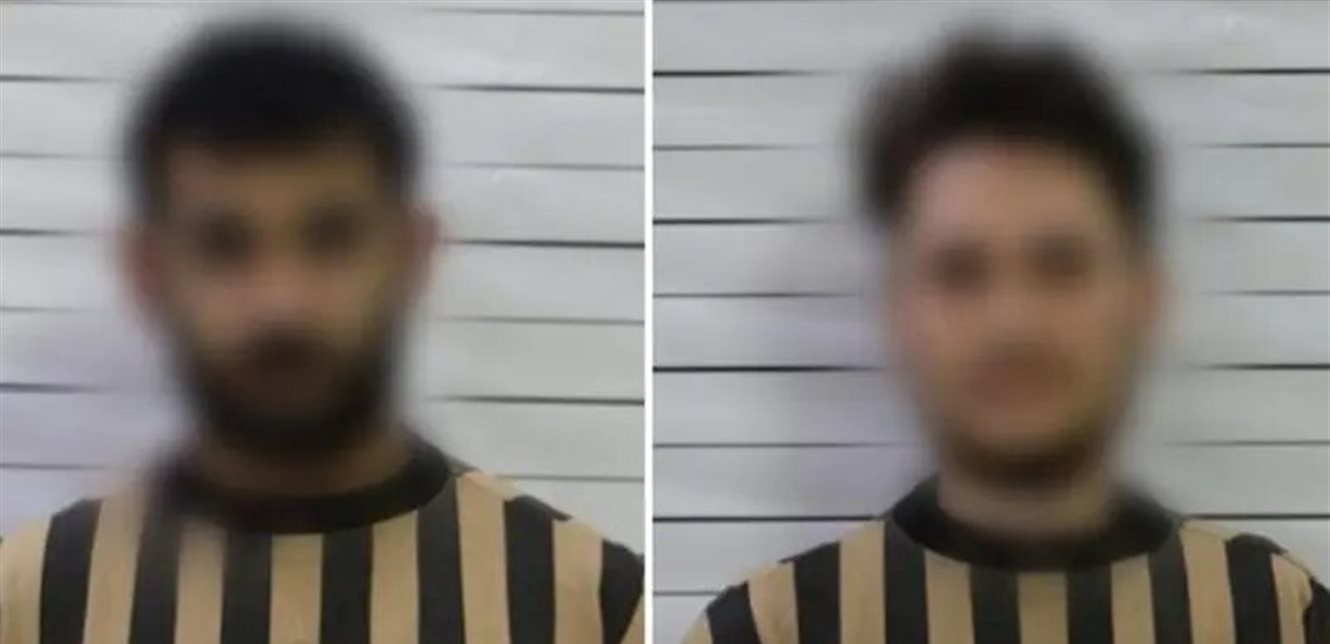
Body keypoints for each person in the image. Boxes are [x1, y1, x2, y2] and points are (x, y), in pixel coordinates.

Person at [0, 21, 642, 644]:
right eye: (224, 245)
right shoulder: (25, 604)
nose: (282, 303)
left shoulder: (592, 606)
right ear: (148, 269)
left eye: (331, 237)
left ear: (410, 253)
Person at [685, 33, 1326, 644]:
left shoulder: (1279, 617)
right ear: (896, 310)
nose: (1013, 322)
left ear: (1145, 295)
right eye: (960, 271)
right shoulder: (772, 629)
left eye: (1061, 264)